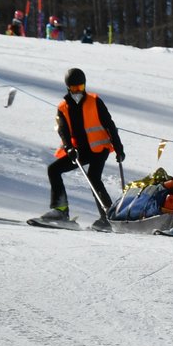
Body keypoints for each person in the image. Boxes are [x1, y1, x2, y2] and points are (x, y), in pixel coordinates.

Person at [39, 67, 124, 228]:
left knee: (94, 177)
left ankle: (108, 217)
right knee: (54, 170)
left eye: (81, 87)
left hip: (99, 148)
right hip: (80, 151)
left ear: (84, 86)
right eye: (74, 88)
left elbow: (110, 125)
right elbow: (63, 131)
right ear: (68, 88)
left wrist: (119, 148)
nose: (78, 91)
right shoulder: (63, 107)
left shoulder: (95, 101)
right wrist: (69, 148)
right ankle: (60, 210)